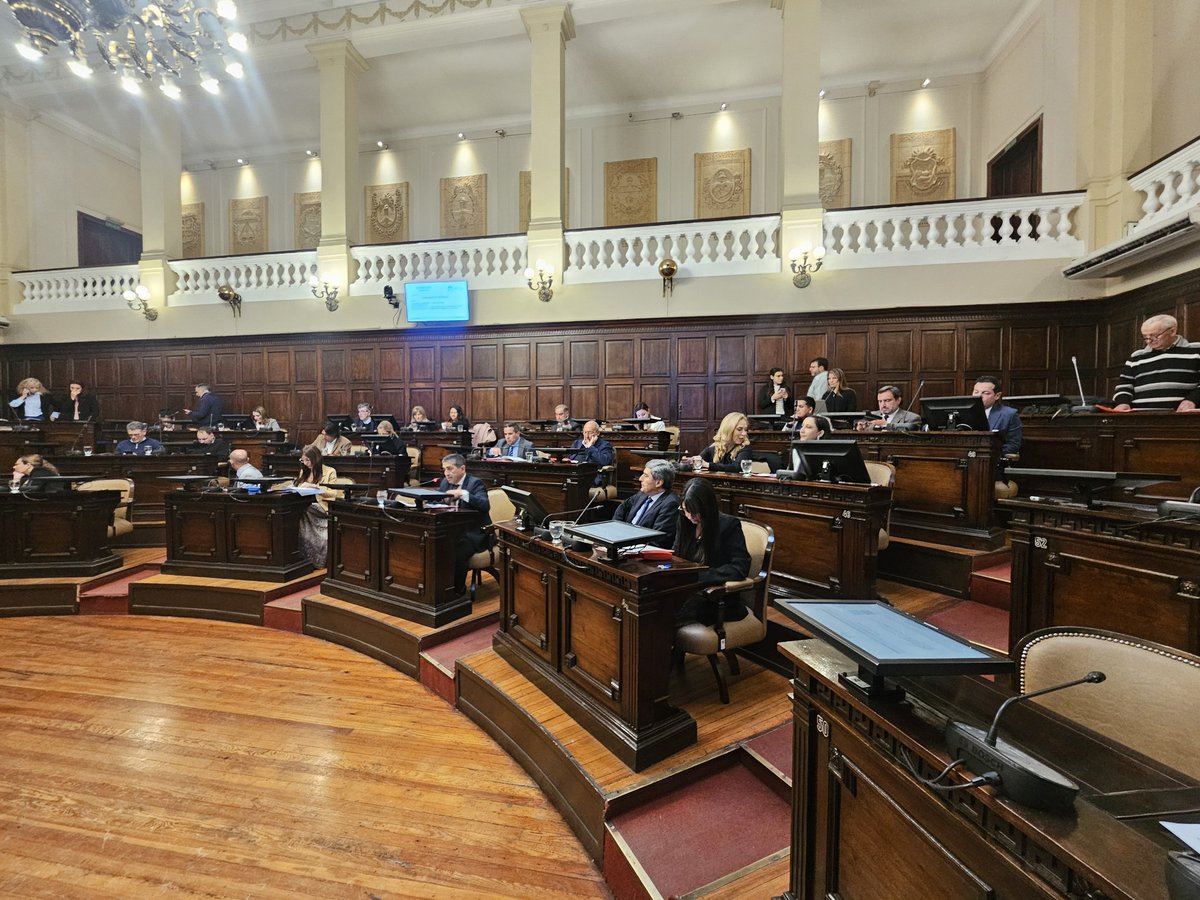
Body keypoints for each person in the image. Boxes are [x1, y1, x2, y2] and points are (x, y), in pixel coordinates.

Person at [672, 478, 751, 627]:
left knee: (660, 619)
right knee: (652, 608)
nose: (690, 517)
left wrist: (700, 577)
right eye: (686, 510)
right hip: (685, 590)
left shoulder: (728, 525)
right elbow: (677, 555)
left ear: (707, 508)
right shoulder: (684, 521)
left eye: (696, 512)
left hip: (714, 597)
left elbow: (741, 567)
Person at [1111, 314, 1200, 411]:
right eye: (1145, 337)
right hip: (1140, 416)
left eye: (1154, 336)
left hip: (1182, 416)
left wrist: (1192, 400)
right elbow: (1124, 385)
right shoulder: (1137, 356)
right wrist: (1122, 402)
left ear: (1172, 331)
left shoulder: (1196, 350)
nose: (1149, 341)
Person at [437, 453, 492, 597]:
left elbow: (485, 505)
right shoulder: (445, 483)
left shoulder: (475, 483)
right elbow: (437, 501)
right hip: (451, 530)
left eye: (450, 469)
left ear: (462, 468)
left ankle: (457, 591)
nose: (446, 473)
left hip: (475, 532)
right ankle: (440, 588)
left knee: (457, 549)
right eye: (444, 469)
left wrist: (463, 493)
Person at [292, 445, 341, 568]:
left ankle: (319, 562)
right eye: (303, 460)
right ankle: (305, 561)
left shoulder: (329, 471)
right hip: (305, 506)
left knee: (304, 509)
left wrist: (316, 487)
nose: (305, 463)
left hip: (321, 508)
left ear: (316, 458)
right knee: (298, 510)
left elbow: (334, 493)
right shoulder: (304, 471)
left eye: (307, 460)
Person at [612, 458, 679, 548]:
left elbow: (658, 540)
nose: (640, 479)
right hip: (622, 541)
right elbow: (622, 508)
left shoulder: (670, 504)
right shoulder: (643, 493)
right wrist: (615, 531)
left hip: (640, 549)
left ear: (658, 482)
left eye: (645, 475)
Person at [973, 375, 1023, 456]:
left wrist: (988, 453)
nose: (979, 396)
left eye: (985, 393)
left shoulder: (1009, 414)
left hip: (993, 458)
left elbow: (1013, 445)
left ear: (997, 396)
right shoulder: (964, 412)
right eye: (976, 392)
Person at [569, 420, 615, 484]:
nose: (587, 436)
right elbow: (569, 458)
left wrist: (590, 447)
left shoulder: (605, 445)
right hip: (574, 474)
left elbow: (605, 461)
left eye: (590, 432)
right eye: (585, 432)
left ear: (598, 433)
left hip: (592, 477)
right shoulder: (577, 443)